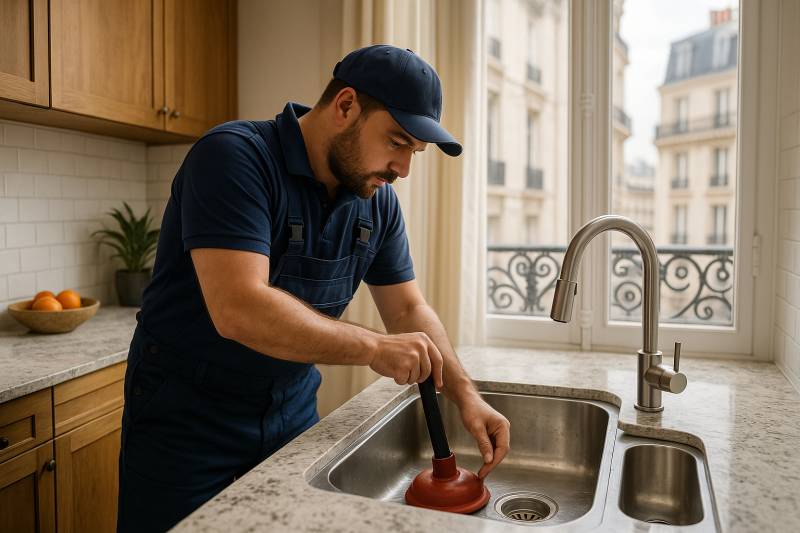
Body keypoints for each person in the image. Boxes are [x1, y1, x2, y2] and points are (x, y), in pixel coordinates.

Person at [117, 44, 511, 532]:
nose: (402, 170)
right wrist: (373, 346)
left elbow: (408, 310)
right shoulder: (234, 158)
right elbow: (238, 307)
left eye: (413, 151)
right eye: (396, 141)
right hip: (187, 418)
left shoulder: (377, 201)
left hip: (292, 408)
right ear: (345, 105)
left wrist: (467, 395)